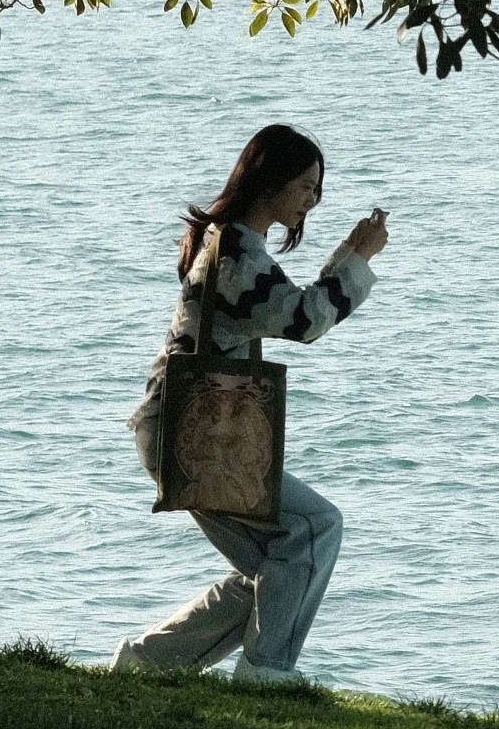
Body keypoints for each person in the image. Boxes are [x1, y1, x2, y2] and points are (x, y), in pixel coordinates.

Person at [114, 122, 392, 687]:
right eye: (307, 185)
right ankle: (266, 676)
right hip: (193, 431)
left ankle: (147, 668)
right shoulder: (237, 249)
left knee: (279, 564)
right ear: (270, 180)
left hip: (184, 426)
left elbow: (286, 306)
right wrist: (358, 257)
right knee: (315, 529)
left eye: (319, 189)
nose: (314, 199)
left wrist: (347, 255)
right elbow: (303, 319)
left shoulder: (231, 241)